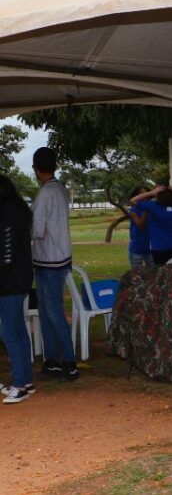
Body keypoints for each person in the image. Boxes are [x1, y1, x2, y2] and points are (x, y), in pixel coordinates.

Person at [30, 147, 77, 382]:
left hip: (48, 259)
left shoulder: (44, 194)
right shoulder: (59, 189)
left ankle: (68, 360)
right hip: (59, 257)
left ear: (36, 169)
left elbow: (37, 230)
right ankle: (52, 360)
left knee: (52, 311)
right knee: (48, 311)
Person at [0, 174, 35, 403]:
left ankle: (20, 384)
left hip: (11, 281)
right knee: (18, 330)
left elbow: (7, 254)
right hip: (16, 279)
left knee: (9, 332)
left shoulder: (8, 213)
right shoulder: (15, 209)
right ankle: (27, 381)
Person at [132, 184, 172, 265]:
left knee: (162, 274)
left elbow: (133, 200)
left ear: (158, 195)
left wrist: (152, 192)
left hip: (159, 248)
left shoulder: (153, 206)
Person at [126, 186, 153, 270]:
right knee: (137, 277)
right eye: (141, 194)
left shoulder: (153, 209)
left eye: (146, 193)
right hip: (137, 249)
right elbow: (141, 226)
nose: (144, 196)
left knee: (154, 275)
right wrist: (146, 210)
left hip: (151, 249)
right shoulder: (134, 210)